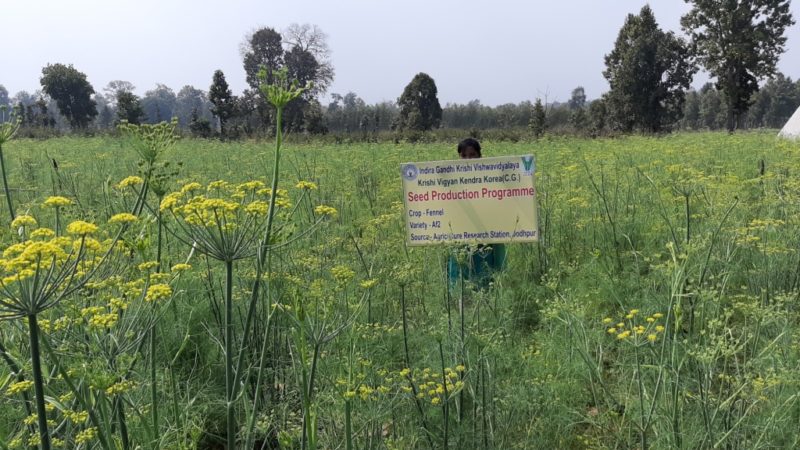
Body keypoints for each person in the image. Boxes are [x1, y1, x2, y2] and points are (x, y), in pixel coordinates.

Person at [447, 138, 507, 290]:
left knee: (487, 263)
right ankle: (462, 294)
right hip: (462, 232)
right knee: (462, 263)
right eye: (464, 156)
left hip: (487, 231)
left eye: (472, 154)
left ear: (480, 156)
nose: (468, 159)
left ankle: (488, 292)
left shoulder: (491, 176)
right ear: (459, 158)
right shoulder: (451, 179)